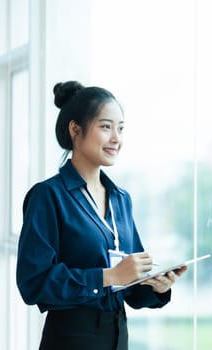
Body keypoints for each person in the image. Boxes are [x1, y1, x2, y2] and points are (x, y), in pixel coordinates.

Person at [16, 81, 187, 350]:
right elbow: (33, 283)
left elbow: (130, 286)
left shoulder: (121, 199)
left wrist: (157, 286)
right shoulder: (48, 196)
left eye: (120, 128)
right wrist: (108, 277)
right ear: (75, 130)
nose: (116, 139)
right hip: (71, 339)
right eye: (106, 127)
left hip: (118, 336)